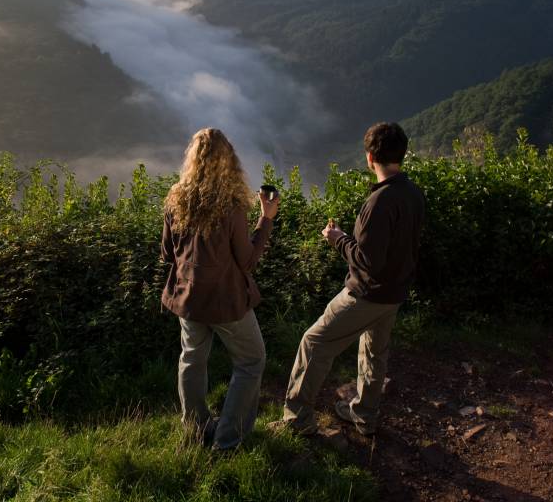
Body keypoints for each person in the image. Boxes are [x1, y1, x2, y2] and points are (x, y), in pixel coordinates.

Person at [270, 122, 424, 437]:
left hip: (367, 294)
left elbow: (368, 261)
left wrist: (337, 238)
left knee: (314, 343)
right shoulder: (412, 193)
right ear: (402, 155)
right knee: (373, 352)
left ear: (369, 158)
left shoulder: (378, 203)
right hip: (394, 293)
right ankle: (365, 416)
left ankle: (297, 420)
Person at [161, 128, 280, 450]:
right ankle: (228, 439)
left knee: (192, 359)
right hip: (225, 301)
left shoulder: (176, 198)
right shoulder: (230, 205)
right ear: (229, 161)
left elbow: (167, 253)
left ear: (192, 160)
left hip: (187, 298)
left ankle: (195, 430)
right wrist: (265, 219)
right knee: (252, 360)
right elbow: (248, 260)